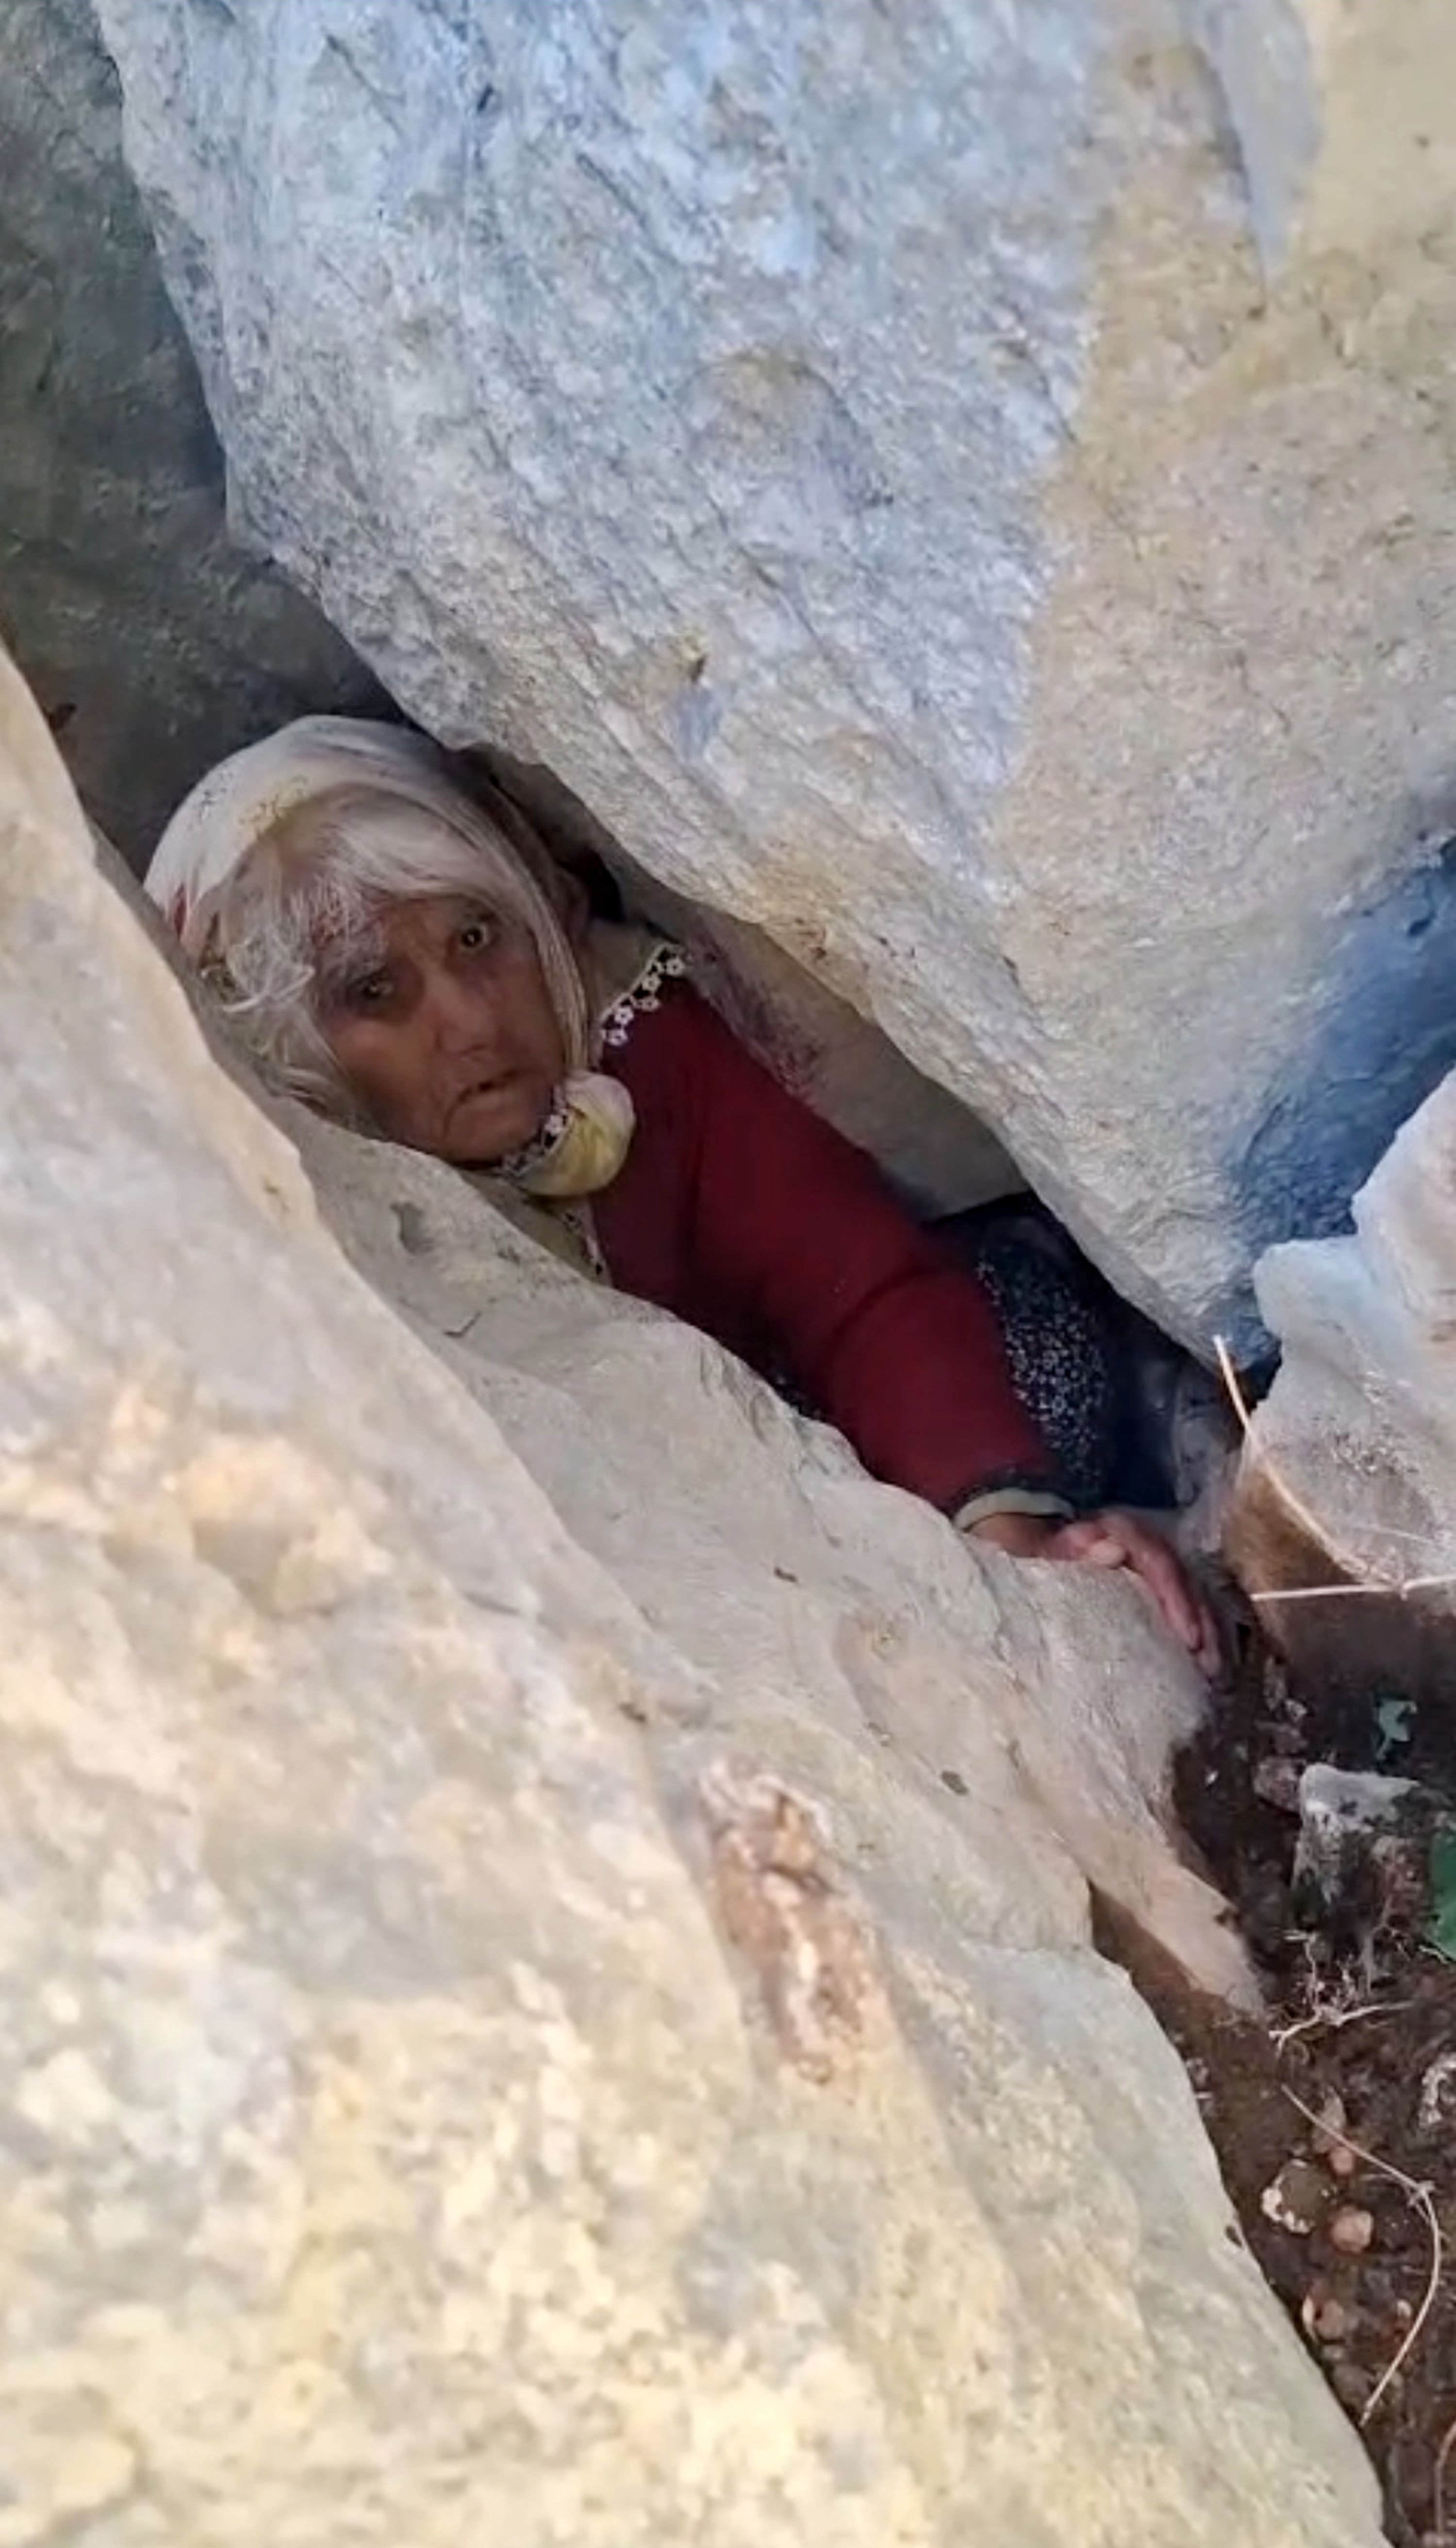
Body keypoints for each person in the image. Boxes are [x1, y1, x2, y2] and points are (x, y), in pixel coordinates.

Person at [148, 716, 1217, 1672]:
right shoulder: (294, 1221)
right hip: (602, 1565)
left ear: (534, 913)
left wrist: (1012, 1553)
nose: (468, 1020)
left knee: (1033, 1357)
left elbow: (850, 1279)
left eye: (476, 937)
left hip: (775, 1434)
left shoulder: (637, 1038)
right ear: (289, 1053)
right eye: (375, 992)